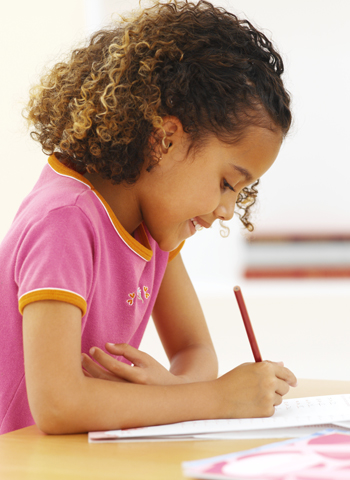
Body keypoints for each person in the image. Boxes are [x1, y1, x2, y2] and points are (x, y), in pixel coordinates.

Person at [0, 0, 297, 435]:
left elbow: (196, 352)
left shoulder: (153, 232)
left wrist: (174, 389)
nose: (226, 210)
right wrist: (216, 398)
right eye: (226, 183)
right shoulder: (65, 221)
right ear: (167, 138)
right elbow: (58, 404)